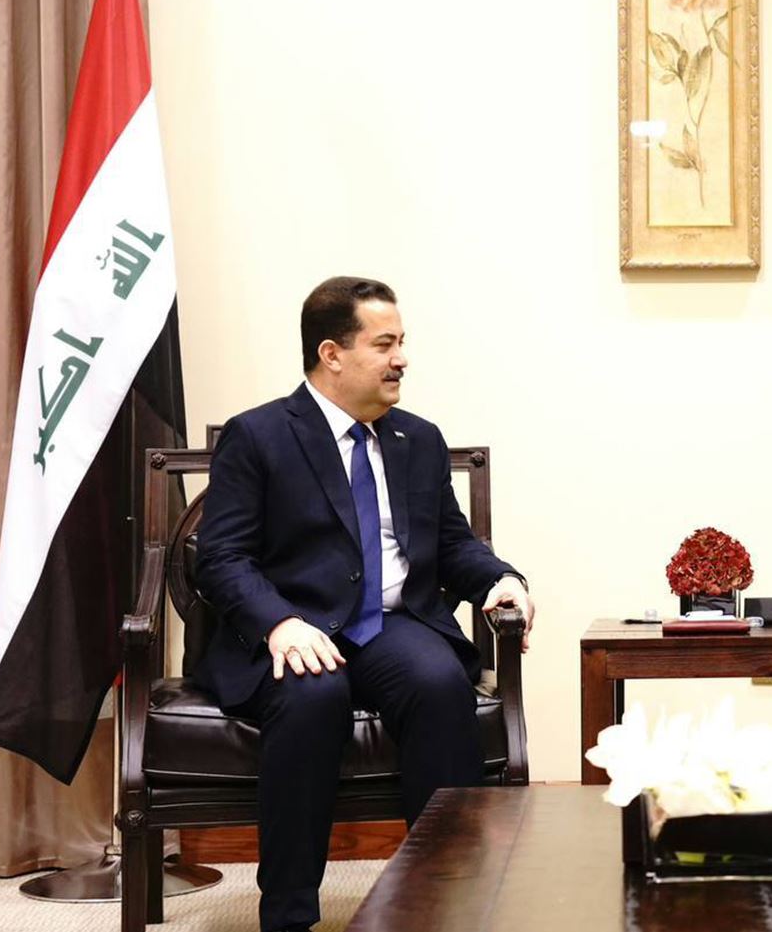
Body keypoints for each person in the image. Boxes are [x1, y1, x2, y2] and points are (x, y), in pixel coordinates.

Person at [194, 276, 534, 932]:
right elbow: (222, 557)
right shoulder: (259, 435)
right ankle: (288, 916)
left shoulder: (417, 439)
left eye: (401, 342)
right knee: (313, 694)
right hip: (294, 631)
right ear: (332, 354)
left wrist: (499, 579)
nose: (402, 358)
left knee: (439, 682)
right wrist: (279, 622)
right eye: (384, 344)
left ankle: (447, 906)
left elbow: (452, 543)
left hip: (389, 626)